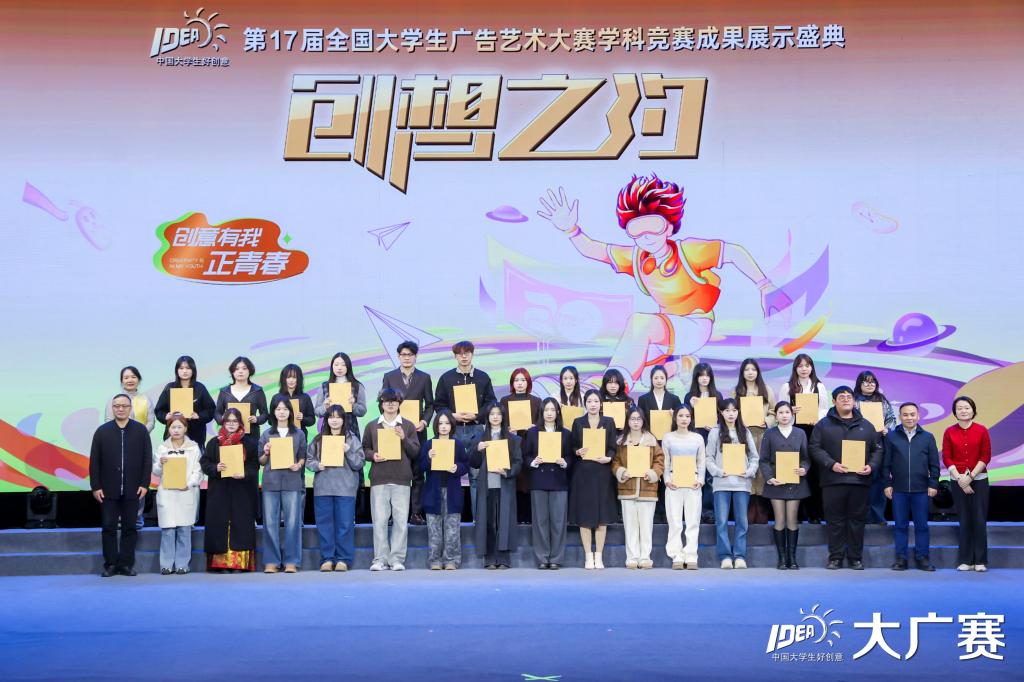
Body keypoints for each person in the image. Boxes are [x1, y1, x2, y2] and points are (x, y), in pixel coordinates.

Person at [536, 176, 785, 389]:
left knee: (640, 323)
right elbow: (594, 250)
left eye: (653, 228)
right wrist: (571, 230)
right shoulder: (637, 258)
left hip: (695, 325)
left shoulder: (688, 252)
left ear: (669, 227)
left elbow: (733, 252)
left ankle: (611, 388)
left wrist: (764, 285)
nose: (646, 238)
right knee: (644, 373)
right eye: (637, 232)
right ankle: (683, 365)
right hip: (667, 330)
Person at [809, 386, 883, 570]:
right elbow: (814, 448)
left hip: (859, 481)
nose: (845, 400)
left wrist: (871, 466)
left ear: (854, 401)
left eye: (849, 396)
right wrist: (831, 464)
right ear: (834, 401)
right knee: (834, 521)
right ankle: (835, 557)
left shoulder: (867, 425)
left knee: (857, 522)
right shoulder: (823, 425)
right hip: (832, 481)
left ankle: (855, 558)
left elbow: (877, 450)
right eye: (841, 397)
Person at [89, 394, 152, 577]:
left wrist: (144, 483)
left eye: (124, 406)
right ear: (112, 408)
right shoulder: (102, 431)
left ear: (130, 408)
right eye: (117, 406)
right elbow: (95, 461)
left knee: (129, 528)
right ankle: (110, 564)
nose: (121, 409)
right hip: (108, 489)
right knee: (108, 527)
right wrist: (96, 486)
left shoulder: (140, 430)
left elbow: (147, 459)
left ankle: (125, 564)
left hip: (134, 488)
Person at [433, 340, 497, 513]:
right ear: (455, 356)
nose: (463, 357)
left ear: (472, 354)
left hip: (476, 430)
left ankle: (478, 520)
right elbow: (438, 404)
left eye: (467, 353)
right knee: (450, 474)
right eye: (459, 354)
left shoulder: (483, 377)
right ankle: (452, 519)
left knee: (476, 476)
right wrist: (452, 415)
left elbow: (491, 403)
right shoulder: (446, 378)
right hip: (453, 431)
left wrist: (476, 415)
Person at [363, 387, 421, 571]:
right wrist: (373, 455)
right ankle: (380, 559)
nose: (390, 404)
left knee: (400, 522)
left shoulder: (408, 426)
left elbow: (415, 451)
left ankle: (396, 559)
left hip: (401, 478)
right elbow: (364, 449)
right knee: (379, 521)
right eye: (386, 400)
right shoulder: (372, 425)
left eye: (394, 401)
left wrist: (404, 438)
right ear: (381, 403)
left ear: (399, 403)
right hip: (379, 478)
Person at [381, 340, 435, 526]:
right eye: (403, 354)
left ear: (415, 356)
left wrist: (424, 422)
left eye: (410, 355)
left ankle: (416, 513)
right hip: (393, 432)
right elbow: (383, 402)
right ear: (398, 356)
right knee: (393, 473)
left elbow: (430, 404)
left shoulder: (424, 378)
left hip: (417, 432)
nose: (407, 358)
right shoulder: (389, 377)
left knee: (418, 474)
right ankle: (392, 514)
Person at [306, 404, 364, 572]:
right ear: (326, 420)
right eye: (331, 417)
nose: (335, 420)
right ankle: (327, 558)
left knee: (345, 525)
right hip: (323, 488)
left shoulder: (351, 439)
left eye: (338, 417)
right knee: (324, 526)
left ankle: (343, 559)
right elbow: (309, 460)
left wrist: (348, 451)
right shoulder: (318, 439)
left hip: (345, 489)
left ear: (344, 420)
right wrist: (317, 465)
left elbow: (359, 463)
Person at [200, 407, 259, 573]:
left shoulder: (249, 442)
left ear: (240, 423)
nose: (231, 424)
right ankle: (220, 564)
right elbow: (204, 463)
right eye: (228, 421)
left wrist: (244, 473)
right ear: (223, 422)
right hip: (219, 491)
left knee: (241, 525)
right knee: (219, 525)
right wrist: (216, 467)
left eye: (235, 421)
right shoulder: (214, 442)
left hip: (242, 491)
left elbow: (255, 465)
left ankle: (239, 564)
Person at [882, 402, 939, 572]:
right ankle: (901, 558)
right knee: (900, 525)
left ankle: (923, 558)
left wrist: (933, 483)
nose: (909, 418)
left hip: (921, 489)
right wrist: (887, 484)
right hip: (898, 490)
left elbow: (934, 464)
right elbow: (886, 464)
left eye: (912, 414)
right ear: (900, 417)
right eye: (905, 415)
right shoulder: (891, 437)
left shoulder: (928, 437)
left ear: (918, 416)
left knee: (922, 526)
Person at [705, 398, 759, 569]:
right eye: (727, 410)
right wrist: (718, 472)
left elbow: (754, 457)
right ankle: (725, 556)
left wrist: (749, 472)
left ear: (738, 412)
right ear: (721, 412)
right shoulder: (715, 432)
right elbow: (708, 457)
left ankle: (740, 555)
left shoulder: (745, 432)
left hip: (742, 484)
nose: (731, 414)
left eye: (734, 410)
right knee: (721, 522)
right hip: (721, 483)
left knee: (742, 522)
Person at [568, 389, 618, 569]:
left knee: (601, 516)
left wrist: (608, 458)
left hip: (602, 472)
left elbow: (612, 447)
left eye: (596, 401)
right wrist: (577, 451)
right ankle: (588, 556)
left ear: (601, 403)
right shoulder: (578, 422)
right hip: (583, 473)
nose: (593, 404)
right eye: (589, 401)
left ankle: (599, 556)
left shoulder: (609, 422)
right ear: (585, 403)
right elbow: (572, 446)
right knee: (585, 515)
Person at [942, 396, 992, 572]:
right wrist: (960, 479)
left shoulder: (982, 430)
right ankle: (966, 560)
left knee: (979, 519)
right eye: (960, 408)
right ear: (955, 412)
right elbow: (947, 457)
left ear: (973, 410)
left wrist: (969, 478)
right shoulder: (949, 431)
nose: (963, 411)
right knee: (964, 520)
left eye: (967, 407)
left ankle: (980, 560)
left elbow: (985, 456)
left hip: (979, 480)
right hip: (957, 480)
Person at [778, 354, 829, 523]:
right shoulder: (787, 386)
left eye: (807, 365)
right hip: (794, 432)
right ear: (795, 368)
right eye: (800, 366)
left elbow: (825, 409)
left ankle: (815, 514)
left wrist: (817, 418)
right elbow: (781, 410)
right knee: (795, 471)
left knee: (813, 472)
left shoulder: (819, 386)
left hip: (814, 432)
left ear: (812, 367)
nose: (804, 369)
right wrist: (791, 411)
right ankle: (797, 515)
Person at [470, 403, 523, 569]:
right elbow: (473, 463)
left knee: (504, 522)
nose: (495, 417)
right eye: (492, 414)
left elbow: (518, 462)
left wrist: (507, 472)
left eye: (498, 414)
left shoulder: (513, 439)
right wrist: (477, 450)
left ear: (503, 417)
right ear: (487, 417)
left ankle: (504, 558)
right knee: (489, 522)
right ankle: (490, 557)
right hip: (487, 485)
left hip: (504, 484)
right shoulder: (480, 438)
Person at [258, 397, 307, 573]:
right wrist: (266, 452)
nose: (281, 412)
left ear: (290, 412)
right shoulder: (266, 434)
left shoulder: (298, 434)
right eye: (278, 409)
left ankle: (291, 561)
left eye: (285, 409)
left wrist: (298, 465)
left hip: (292, 481)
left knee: (292, 523)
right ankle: (271, 561)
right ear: (273, 412)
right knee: (270, 523)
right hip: (270, 482)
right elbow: (261, 461)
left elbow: (302, 456)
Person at [522, 398, 572, 569]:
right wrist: (533, 462)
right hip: (539, 480)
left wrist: (564, 462)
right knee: (540, 522)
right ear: (541, 412)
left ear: (558, 412)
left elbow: (570, 456)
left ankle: (556, 558)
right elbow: (525, 455)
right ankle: (542, 558)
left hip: (559, 481)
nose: (549, 413)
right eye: (546, 410)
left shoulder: (566, 433)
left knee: (558, 522)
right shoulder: (532, 432)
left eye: (552, 410)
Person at [759, 401, 810, 569]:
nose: (784, 415)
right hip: (776, 483)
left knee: (792, 520)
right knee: (780, 520)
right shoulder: (769, 433)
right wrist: (770, 478)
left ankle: (792, 558)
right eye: (780, 412)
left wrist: (804, 469)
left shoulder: (800, 433)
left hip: (795, 483)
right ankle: (782, 558)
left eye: (787, 412)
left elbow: (806, 458)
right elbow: (764, 460)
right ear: (776, 415)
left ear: (792, 414)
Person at [104, 365, 155, 530]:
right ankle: (118, 519)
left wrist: (138, 434)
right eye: (126, 377)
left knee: (138, 482)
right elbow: (108, 421)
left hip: (139, 445)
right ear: (121, 381)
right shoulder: (114, 400)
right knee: (118, 482)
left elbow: (151, 421)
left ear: (138, 379)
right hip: (118, 447)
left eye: (133, 377)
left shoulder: (146, 399)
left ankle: (136, 519)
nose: (130, 380)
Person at [612, 407, 664, 569]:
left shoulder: (651, 440)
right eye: (632, 419)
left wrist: (653, 473)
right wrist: (621, 472)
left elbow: (659, 460)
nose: (636, 422)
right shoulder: (621, 442)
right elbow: (615, 462)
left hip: (648, 489)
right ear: (627, 421)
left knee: (646, 526)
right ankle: (632, 557)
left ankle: (645, 557)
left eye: (638, 419)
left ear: (643, 421)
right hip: (627, 488)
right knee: (630, 526)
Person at [418, 410, 470, 570]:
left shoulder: (457, 444)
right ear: (436, 426)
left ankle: (452, 560)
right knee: (434, 528)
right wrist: (428, 457)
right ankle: (435, 560)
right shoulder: (429, 444)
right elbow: (420, 467)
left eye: (447, 423)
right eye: (440, 423)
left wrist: (457, 467)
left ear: (452, 425)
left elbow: (466, 465)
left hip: (453, 492)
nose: (444, 426)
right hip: (433, 492)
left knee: (452, 528)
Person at [153, 413, 203, 574]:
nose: (176, 430)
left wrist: (188, 484)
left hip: (186, 492)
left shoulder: (193, 447)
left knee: (184, 530)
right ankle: (166, 564)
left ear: (185, 428)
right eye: (173, 427)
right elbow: (155, 471)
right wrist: (160, 464)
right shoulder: (162, 448)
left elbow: (198, 471)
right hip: (167, 493)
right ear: (168, 429)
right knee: (168, 530)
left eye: (179, 427)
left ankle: (182, 564)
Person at [662, 405, 705, 569]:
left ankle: (691, 555)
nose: (684, 419)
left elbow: (701, 461)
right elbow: (666, 462)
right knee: (675, 521)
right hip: (674, 482)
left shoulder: (697, 438)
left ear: (691, 418)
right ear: (675, 418)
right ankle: (677, 555)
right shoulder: (668, 437)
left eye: (687, 416)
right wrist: (667, 480)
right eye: (681, 415)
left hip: (693, 482)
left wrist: (700, 480)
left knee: (693, 520)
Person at [733, 358, 776, 525]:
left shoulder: (767, 390)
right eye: (746, 370)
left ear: (758, 372)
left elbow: (774, 411)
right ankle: (749, 511)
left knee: (762, 471)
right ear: (742, 373)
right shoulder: (736, 391)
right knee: (746, 470)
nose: (750, 373)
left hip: (763, 435)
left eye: (753, 369)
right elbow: (731, 411)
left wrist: (767, 421)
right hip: (743, 436)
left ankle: (762, 510)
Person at [854, 370, 897, 525]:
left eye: (872, 382)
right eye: (866, 381)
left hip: (879, 443)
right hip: (859, 443)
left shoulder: (882, 399)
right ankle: (861, 516)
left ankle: (878, 516)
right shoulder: (853, 400)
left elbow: (891, 418)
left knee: (879, 480)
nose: (870, 384)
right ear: (859, 384)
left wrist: (887, 428)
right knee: (860, 479)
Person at [501, 367, 542, 524]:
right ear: (512, 383)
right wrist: (508, 429)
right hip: (512, 445)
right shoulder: (505, 401)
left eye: (523, 380)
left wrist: (534, 427)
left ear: (528, 382)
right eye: (516, 380)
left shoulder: (536, 401)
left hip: (530, 444)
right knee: (515, 479)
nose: (520, 383)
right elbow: (499, 423)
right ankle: (516, 518)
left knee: (529, 479)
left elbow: (542, 424)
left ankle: (529, 517)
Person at [684, 361, 723, 521]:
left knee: (709, 477)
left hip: (711, 438)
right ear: (696, 377)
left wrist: (715, 426)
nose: (704, 378)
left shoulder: (717, 395)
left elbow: (723, 418)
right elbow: (683, 418)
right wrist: (690, 406)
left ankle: (709, 512)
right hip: (694, 439)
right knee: (695, 475)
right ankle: (693, 512)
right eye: (701, 375)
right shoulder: (689, 396)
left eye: (707, 375)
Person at [154, 355, 216, 450]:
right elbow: (159, 410)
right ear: (177, 370)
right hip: (173, 438)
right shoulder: (169, 388)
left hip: (196, 437)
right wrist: (165, 416)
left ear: (193, 370)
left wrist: (198, 416)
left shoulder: (200, 388)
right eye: (181, 368)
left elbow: (211, 409)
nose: (185, 371)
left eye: (188, 368)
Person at [214, 356, 269, 439]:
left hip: (251, 435)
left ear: (250, 371)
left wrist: (256, 419)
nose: (240, 371)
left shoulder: (257, 391)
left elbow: (264, 414)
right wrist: (222, 419)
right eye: (237, 369)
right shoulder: (224, 391)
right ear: (232, 372)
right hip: (229, 436)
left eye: (244, 368)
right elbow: (217, 412)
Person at [314, 351, 368, 429]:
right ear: (332, 366)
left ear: (348, 367)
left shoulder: (357, 386)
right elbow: (317, 411)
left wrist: (353, 405)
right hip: (329, 430)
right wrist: (325, 407)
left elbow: (362, 411)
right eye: (336, 365)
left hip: (350, 428)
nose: (339, 368)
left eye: (343, 365)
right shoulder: (324, 386)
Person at [276, 363, 316, 440]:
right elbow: (270, 421)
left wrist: (303, 418)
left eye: (294, 377)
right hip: (281, 436)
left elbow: (312, 420)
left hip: (300, 437)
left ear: (299, 379)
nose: (291, 380)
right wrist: (280, 416)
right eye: (288, 377)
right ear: (283, 379)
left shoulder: (305, 397)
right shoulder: (277, 398)